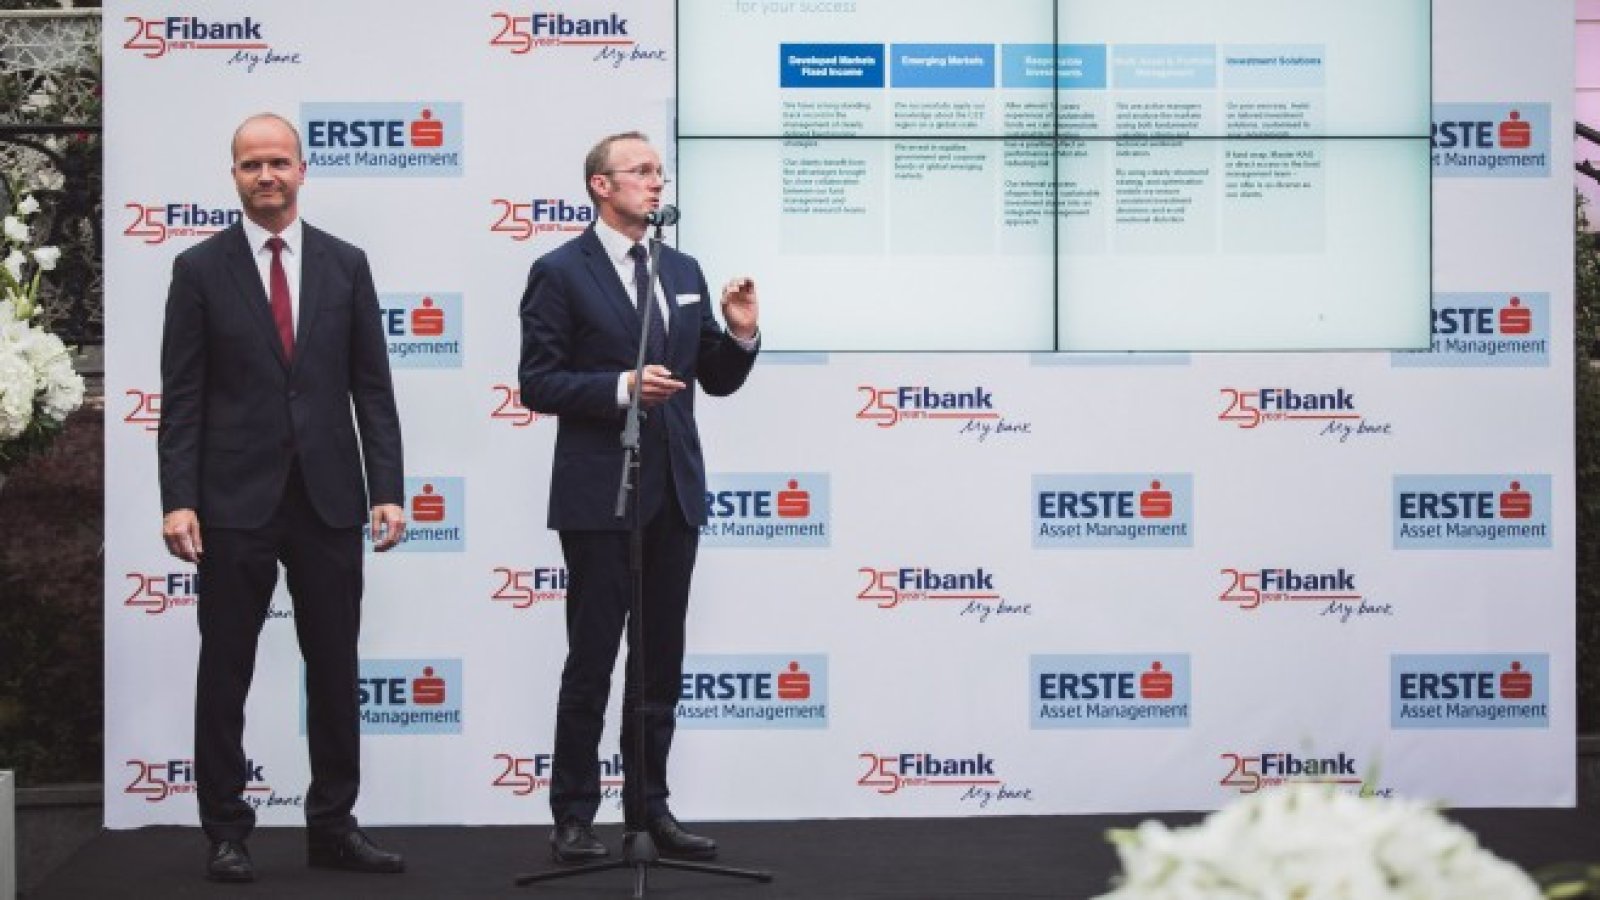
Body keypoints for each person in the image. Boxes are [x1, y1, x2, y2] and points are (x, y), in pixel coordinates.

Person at [158, 113, 407, 883]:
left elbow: (372, 387)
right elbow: (183, 396)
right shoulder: (198, 269)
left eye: (277, 161)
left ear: (303, 170)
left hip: (329, 500)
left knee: (334, 668)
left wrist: (388, 489)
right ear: (234, 175)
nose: (265, 174)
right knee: (225, 669)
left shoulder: (346, 264)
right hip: (232, 502)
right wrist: (178, 498)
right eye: (250, 164)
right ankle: (226, 831)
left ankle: (333, 825)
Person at [518, 131, 760, 863]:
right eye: (642, 171)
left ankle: (650, 811)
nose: (657, 182)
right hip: (601, 492)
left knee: (660, 663)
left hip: (674, 492)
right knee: (592, 658)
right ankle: (572, 815)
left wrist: (741, 336)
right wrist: (621, 387)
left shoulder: (681, 268)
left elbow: (712, 376)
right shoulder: (560, 271)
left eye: (660, 172)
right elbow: (538, 382)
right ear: (601, 184)